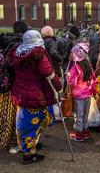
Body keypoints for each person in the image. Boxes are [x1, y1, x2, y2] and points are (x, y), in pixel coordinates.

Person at [6, 30, 62, 164]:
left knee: (25, 123)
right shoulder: (38, 54)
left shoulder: (18, 52)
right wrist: (59, 86)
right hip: (35, 94)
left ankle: (31, 144)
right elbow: (48, 72)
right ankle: (29, 154)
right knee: (35, 122)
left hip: (21, 93)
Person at [0, 21, 27, 154]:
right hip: (17, 87)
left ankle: (5, 140)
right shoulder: (22, 46)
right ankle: (16, 143)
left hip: (5, 86)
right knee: (17, 118)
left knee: (5, 116)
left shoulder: (6, 43)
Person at [66, 42, 96, 141]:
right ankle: (85, 132)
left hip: (79, 95)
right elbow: (93, 79)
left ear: (77, 54)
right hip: (88, 94)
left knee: (79, 115)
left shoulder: (76, 67)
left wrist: (68, 76)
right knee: (85, 115)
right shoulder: (88, 65)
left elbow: (73, 83)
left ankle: (79, 134)